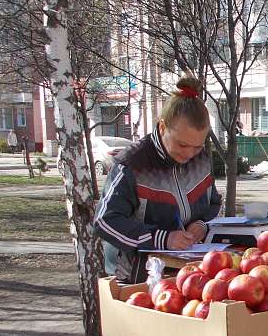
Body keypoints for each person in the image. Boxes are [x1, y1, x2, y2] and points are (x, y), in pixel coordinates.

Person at [95, 75, 223, 284]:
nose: (190, 153)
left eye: (198, 146)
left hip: (189, 276)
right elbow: (105, 221)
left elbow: (214, 204)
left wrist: (202, 224)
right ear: (162, 127)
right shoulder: (133, 163)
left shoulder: (200, 160)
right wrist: (163, 238)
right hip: (135, 279)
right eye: (182, 145)